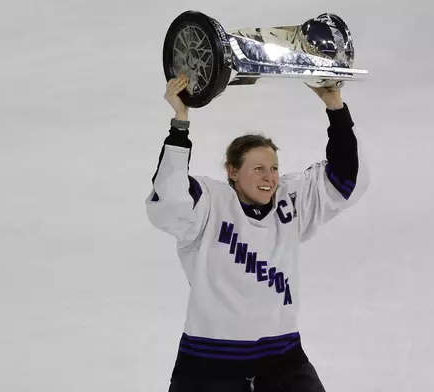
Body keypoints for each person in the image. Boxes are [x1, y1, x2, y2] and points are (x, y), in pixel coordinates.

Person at [146, 74, 370, 392]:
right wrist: (180, 123)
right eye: (258, 169)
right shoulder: (208, 204)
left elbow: (348, 179)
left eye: (274, 168)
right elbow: (167, 201)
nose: (269, 178)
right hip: (209, 360)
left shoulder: (290, 201)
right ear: (233, 172)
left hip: (282, 358)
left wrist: (335, 106)